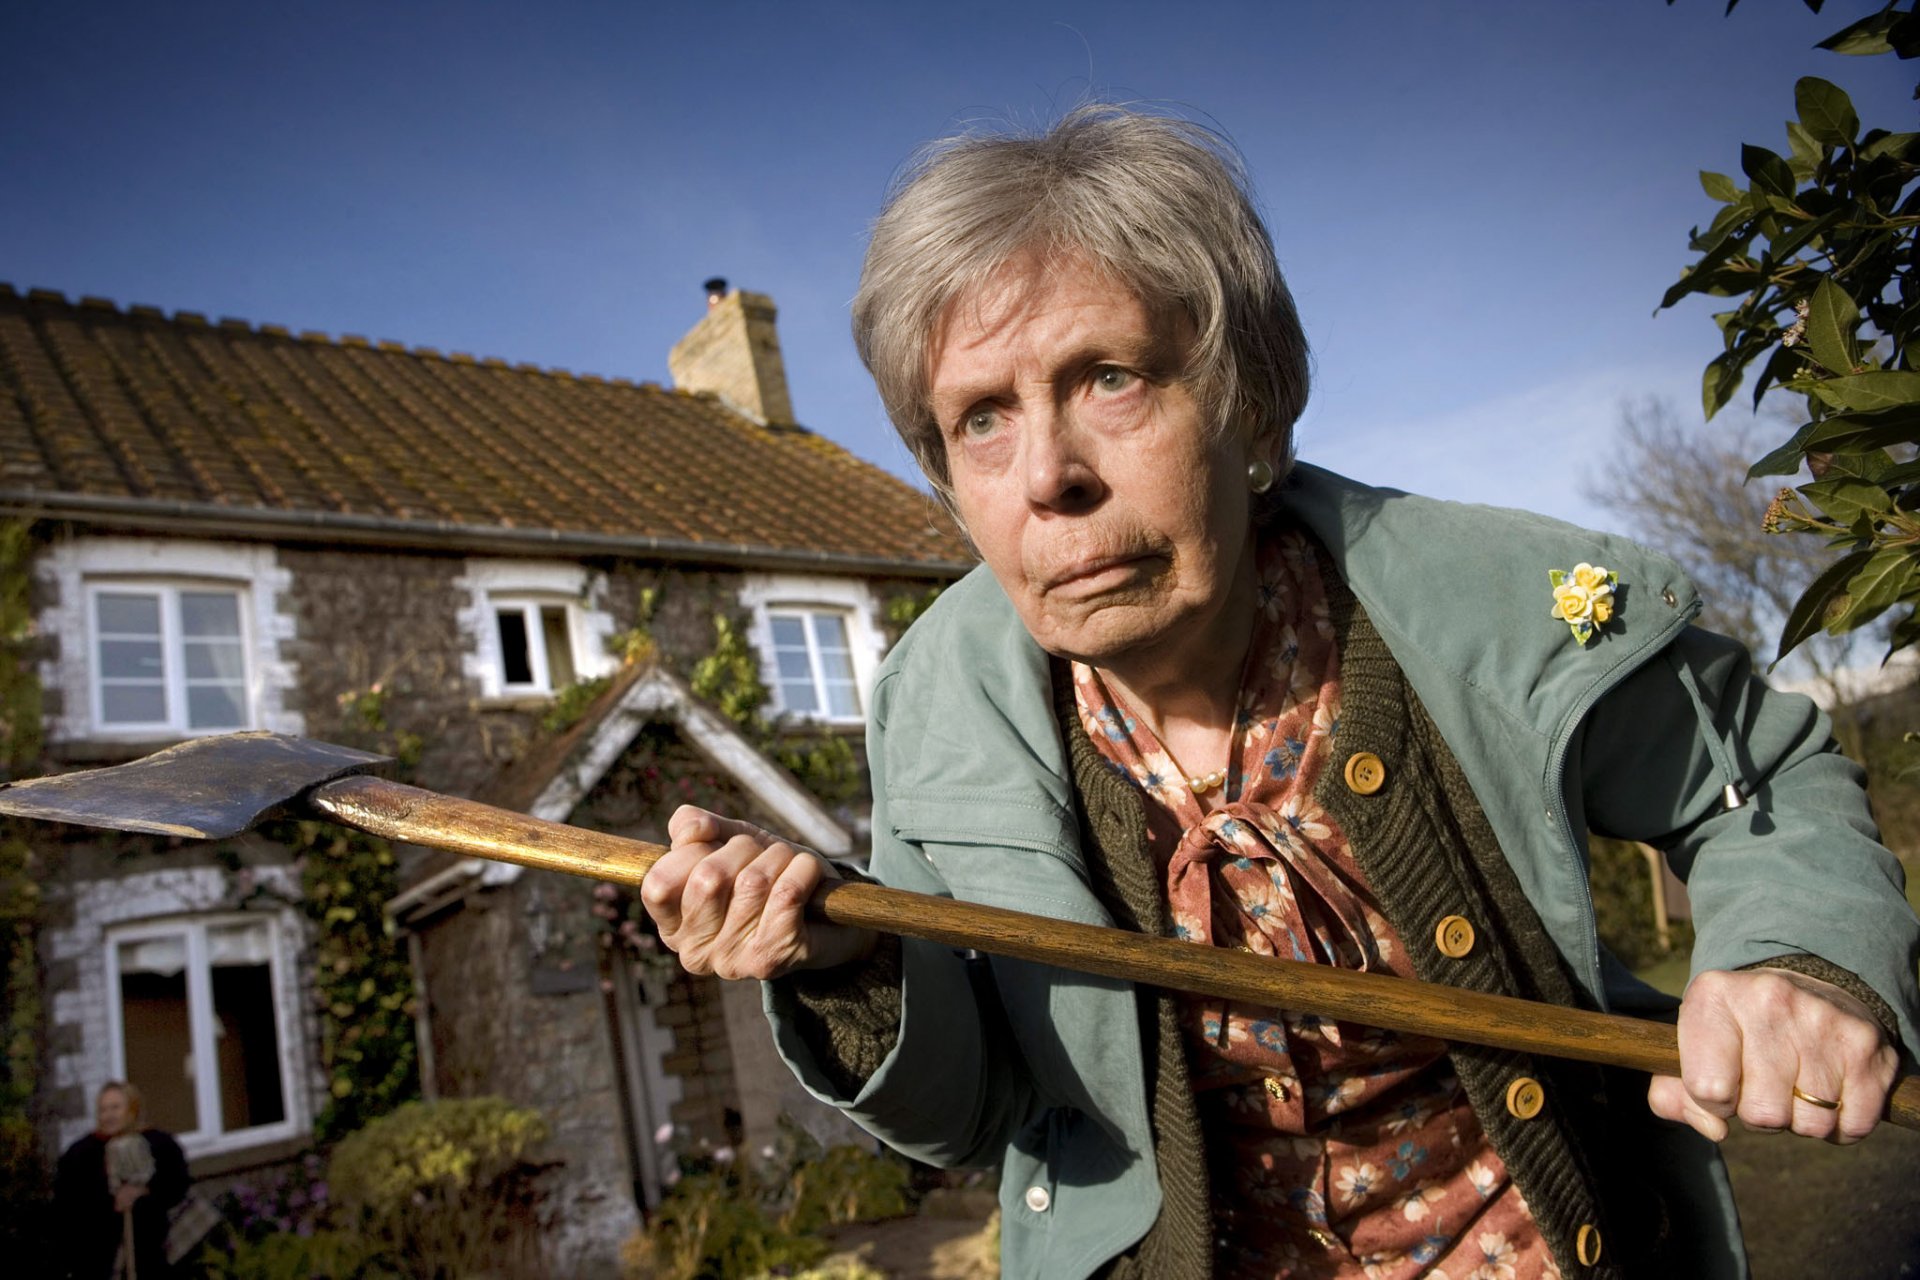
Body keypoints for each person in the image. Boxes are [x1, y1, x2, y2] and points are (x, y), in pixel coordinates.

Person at [640, 107, 1920, 1279]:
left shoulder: (1485, 610)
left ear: (1253, 408)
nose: (1049, 474)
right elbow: (972, 1118)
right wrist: (848, 955)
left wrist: (1794, 958)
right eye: (981, 417)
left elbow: (1763, 780)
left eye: (1110, 377)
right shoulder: (936, 712)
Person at [53, 1081, 189, 1280]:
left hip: (149, 1246)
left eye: (116, 1107)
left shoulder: (158, 1143)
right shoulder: (81, 1153)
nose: (109, 1115)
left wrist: (144, 1190)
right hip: (100, 1252)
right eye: (103, 1109)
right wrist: (111, 1200)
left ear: (132, 1108)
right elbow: (68, 1204)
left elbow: (177, 1183)